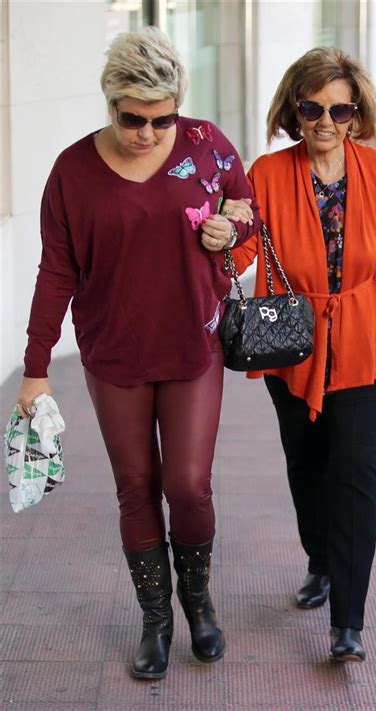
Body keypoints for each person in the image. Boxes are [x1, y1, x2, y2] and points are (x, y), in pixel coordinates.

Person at [15, 26, 261, 680]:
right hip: (114, 355)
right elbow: (56, 273)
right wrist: (36, 368)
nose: (147, 133)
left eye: (162, 118)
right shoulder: (73, 172)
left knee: (188, 483)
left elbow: (247, 204)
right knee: (138, 488)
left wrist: (230, 226)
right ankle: (155, 618)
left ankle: (199, 602)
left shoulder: (207, 144)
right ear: (109, 102)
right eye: (132, 118)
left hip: (193, 344)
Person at [221, 47, 376, 663]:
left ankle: (349, 621)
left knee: (355, 473)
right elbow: (243, 255)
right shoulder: (267, 173)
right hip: (294, 344)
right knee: (307, 465)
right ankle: (319, 559)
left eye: (341, 109)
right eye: (312, 107)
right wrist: (220, 237)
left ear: (357, 113)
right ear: (294, 109)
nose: (326, 121)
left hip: (371, 345)